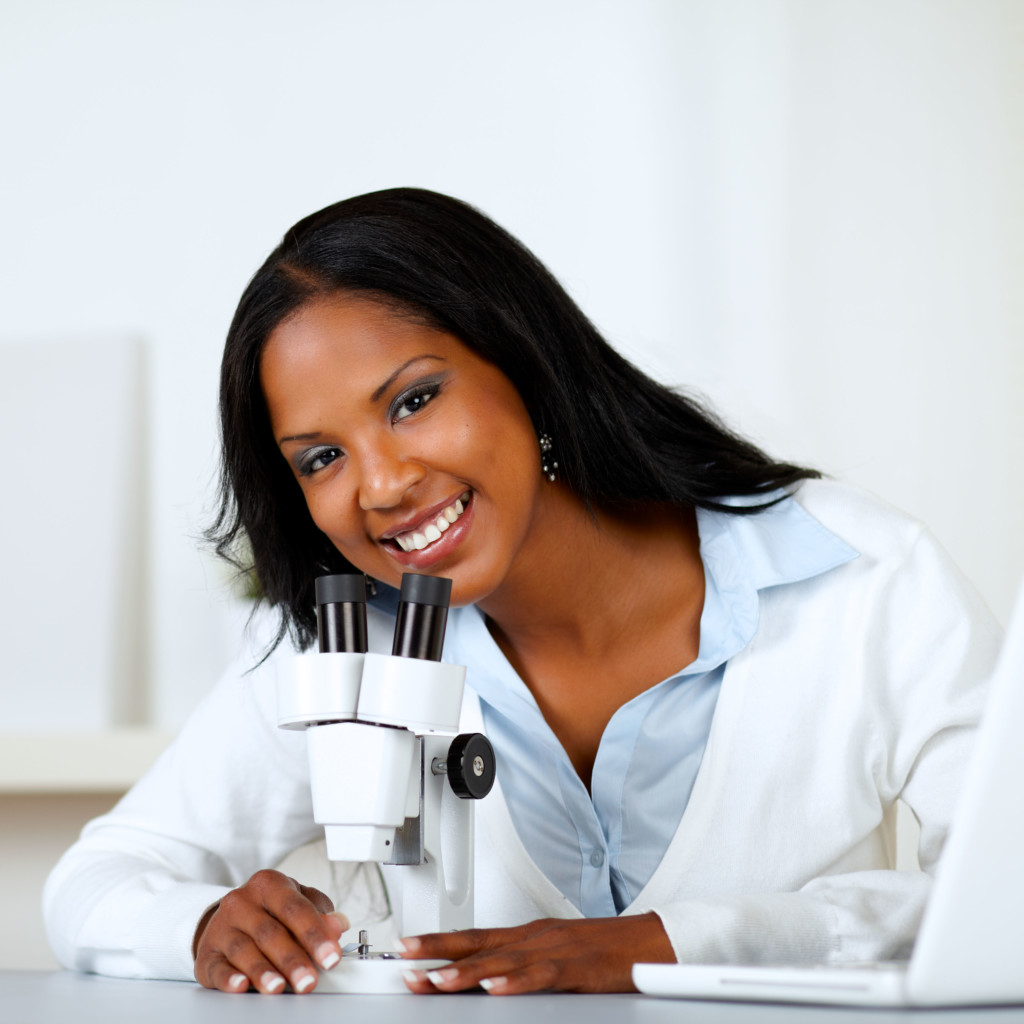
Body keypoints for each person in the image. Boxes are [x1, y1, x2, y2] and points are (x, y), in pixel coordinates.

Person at [44, 187, 1001, 996]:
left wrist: (668, 946)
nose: (380, 486)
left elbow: (1007, 898)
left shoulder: (858, 577)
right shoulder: (344, 642)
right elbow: (94, 883)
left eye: (414, 400)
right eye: (323, 458)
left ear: (528, 367)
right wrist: (206, 923)